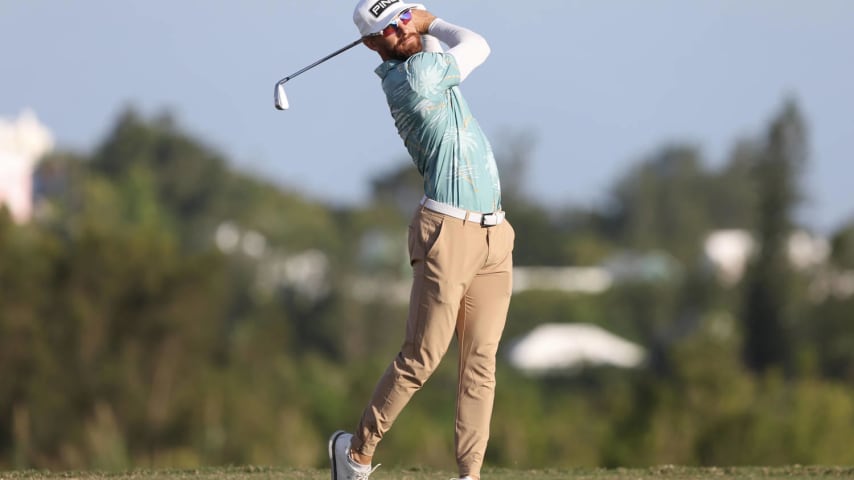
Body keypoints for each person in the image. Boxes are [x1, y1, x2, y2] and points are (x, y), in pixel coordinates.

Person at [329, 2, 514, 479]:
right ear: (372, 43)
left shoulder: (424, 61)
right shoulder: (413, 79)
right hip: (447, 233)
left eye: (403, 18)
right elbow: (477, 45)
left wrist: (414, 22)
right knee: (422, 356)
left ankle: (470, 474)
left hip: (495, 234)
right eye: (390, 28)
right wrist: (430, 19)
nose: (402, 29)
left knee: (481, 362)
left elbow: (426, 45)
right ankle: (356, 454)